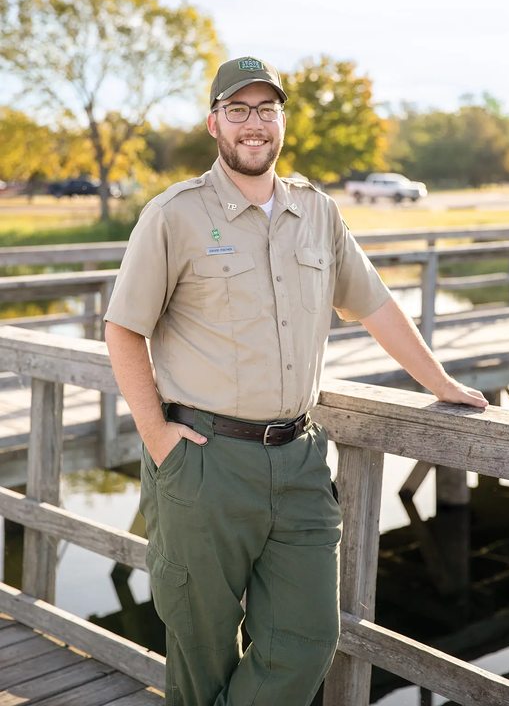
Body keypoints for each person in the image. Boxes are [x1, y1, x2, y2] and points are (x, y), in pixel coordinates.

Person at [104, 56, 487, 706]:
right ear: (214, 123)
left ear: (281, 121)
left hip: (301, 460)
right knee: (200, 651)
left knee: (309, 638)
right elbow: (123, 329)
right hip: (204, 462)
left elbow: (374, 305)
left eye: (265, 110)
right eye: (238, 110)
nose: (253, 124)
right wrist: (158, 436)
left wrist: (441, 381)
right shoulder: (175, 215)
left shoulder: (317, 212)